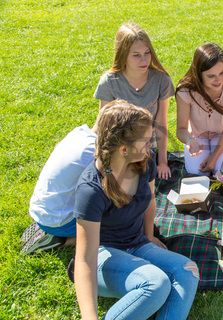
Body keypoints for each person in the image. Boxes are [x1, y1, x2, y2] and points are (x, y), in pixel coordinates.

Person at [74, 100, 198, 320]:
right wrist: (89, 316)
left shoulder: (143, 162)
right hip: (104, 257)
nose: (151, 145)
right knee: (156, 283)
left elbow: (149, 200)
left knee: (188, 271)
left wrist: (149, 236)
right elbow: (85, 260)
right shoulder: (91, 189)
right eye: (146, 141)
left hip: (138, 244)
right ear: (123, 149)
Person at [94, 22, 174, 180]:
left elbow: (161, 123)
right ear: (123, 55)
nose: (144, 60)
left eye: (147, 52)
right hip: (119, 150)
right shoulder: (109, 82)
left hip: (146, 148)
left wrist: (162, 162)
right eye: (136, 55)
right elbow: (103, 126)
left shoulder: (161, 80)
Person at [21, 116, 99, 254]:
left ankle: (46, 230)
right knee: (117, 226)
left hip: (41, 209)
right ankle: (59, 240)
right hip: (59, 221)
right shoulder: (95, 153)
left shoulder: (79, 132)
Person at [176, 42, 223, 175]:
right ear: (198, 74)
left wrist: (214, 157)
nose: (218, 80)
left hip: (222, 134)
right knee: (196, 171)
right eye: (211, 76)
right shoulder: (185, 92)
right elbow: (181, 130)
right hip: (197, 136)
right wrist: (190, 141)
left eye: (222, 73)